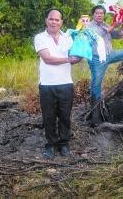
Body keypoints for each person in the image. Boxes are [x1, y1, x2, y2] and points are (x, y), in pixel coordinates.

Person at [34, 9, 81, 159]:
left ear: (61, 22)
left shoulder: (69, 38)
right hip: (47, 85)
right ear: (46, 20)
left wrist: (80, 55)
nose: (54, 22)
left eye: (57, 20)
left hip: (66, 84)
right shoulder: (40, 37)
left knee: (65, 116)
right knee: (49, 117)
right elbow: (47, 59)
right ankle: (51, 145)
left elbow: (76, 56)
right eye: (51, 19)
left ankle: (64, 143)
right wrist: (69, 59)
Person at [87, 5, 123, 126]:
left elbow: (117, 34)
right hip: (98, 58)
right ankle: (95, 115)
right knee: (96, 84)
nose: (99, 15)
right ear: (93, 15)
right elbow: (102, 34)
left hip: (110, 54)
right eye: (97, 13)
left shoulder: (105, 24)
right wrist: (114, 25)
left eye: (101, 13)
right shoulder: (89, 26)